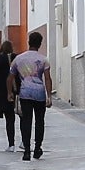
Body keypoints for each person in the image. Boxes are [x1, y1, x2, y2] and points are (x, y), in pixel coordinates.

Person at [10, 30, 54, 162]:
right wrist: (49, 96)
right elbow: (47, 78)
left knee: (26, 121)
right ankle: (38, 147)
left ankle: (27, 151)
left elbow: (10, 77)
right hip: (39, 93)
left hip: (25, 93)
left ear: (29, 42)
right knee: (39, 121)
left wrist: (10, 93)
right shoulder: (43, 59)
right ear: (40, 44)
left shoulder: (19, 59)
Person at [0, 40, 17, 151]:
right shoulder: (17, 59)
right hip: (17, 93)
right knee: (24, 117)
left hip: (2, 95)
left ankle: (11, 144)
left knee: (9, 120)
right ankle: (25, 142)